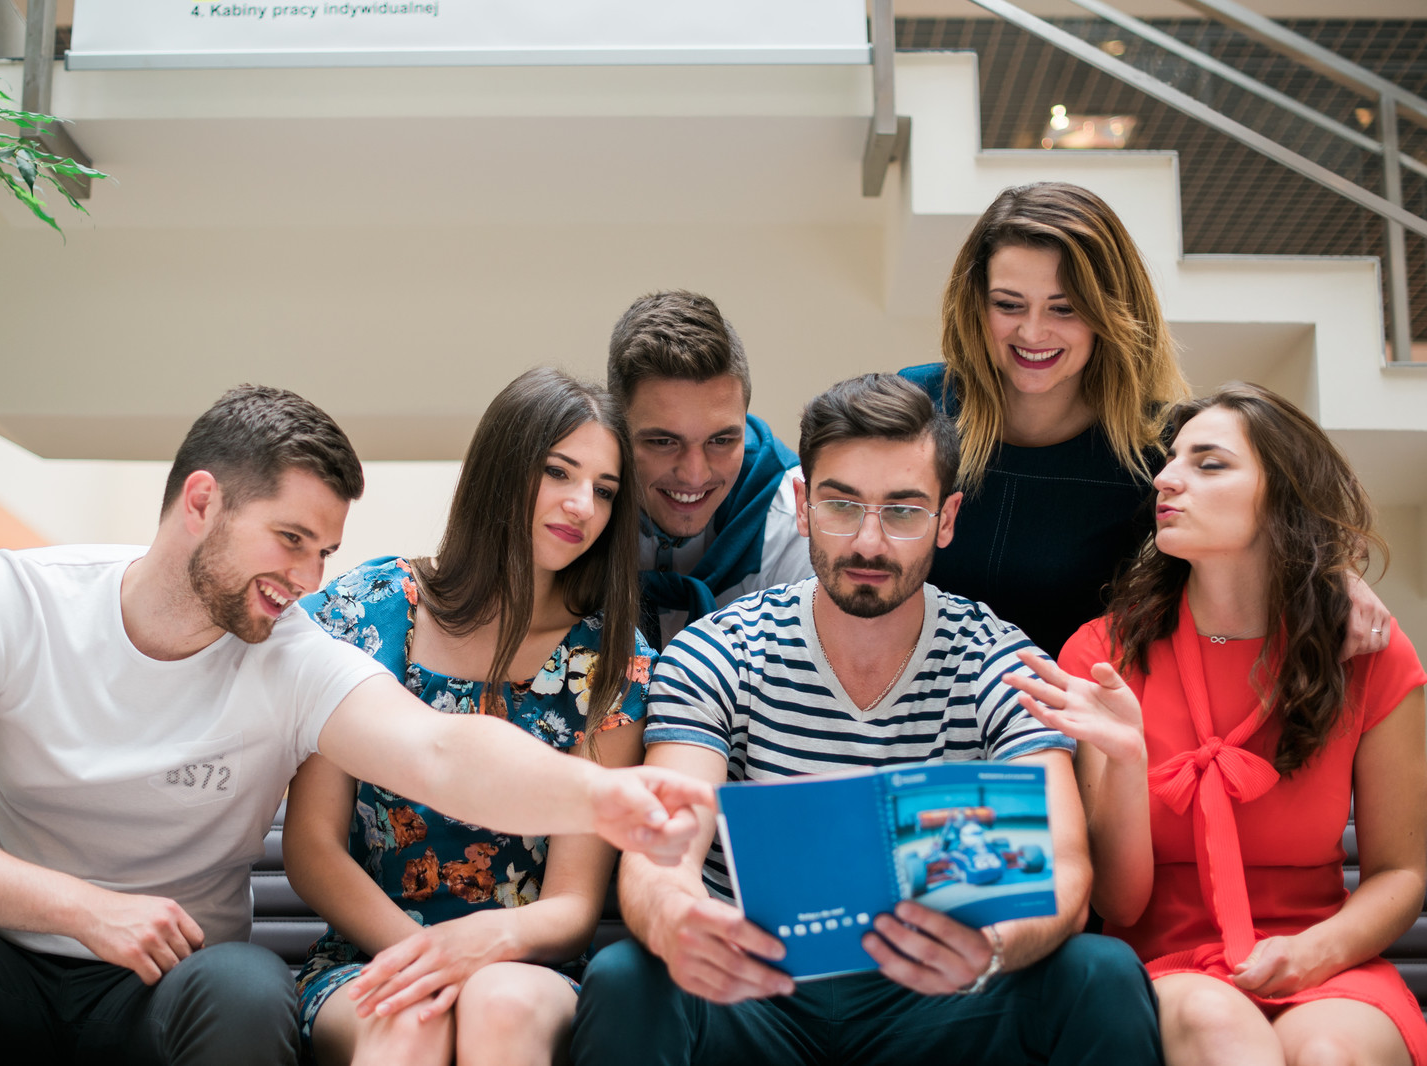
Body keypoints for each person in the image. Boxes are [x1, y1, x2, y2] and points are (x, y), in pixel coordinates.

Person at [0, 384, 712, 1066]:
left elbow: (440, 749)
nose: (309, 578)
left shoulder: (293, 653)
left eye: (324, 552)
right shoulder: (11, 598)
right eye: (291, 539)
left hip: (166, 983)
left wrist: (600, 794)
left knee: (251, 987)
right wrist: (84, 909)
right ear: (201, 502)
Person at [571, 373, 1163, 1066]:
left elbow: (1061, 865)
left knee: (1100, 972)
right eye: (842, 505)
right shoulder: (721, 650)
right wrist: (679, 919)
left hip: (940, 996)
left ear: (947, 519)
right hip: (751, 985)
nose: (870, 543)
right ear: (802, 505)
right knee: (625, 976)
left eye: (903, 511)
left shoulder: (1001, 663)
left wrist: (990, 947)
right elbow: (659, 853)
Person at [1008, 383, 1427, 1066]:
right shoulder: (1102, 654)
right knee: (1218, 1030)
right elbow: (1120, 902)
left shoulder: (1369, 653)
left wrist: (1311, 953)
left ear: (1282, 496)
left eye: (1209, 464)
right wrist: (1127, 759)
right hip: (1166, 963)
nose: (1166, 479)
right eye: (1171, 461)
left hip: (1326, 958)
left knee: (1330, 1054)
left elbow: (1401, 872)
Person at [283, 368, 654, 1066]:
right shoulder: (368, 609)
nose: (582, 505)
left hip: (523, 966)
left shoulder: (614, 659)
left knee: (499, 1004)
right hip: (373, 954)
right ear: (502, 467)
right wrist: (424, 956)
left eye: (604, 490)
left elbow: (573, 905)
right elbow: (311, 847)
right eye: (558, 472)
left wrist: (480, 950)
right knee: (410, 1021)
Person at [899, 181, 1389, 659]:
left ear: (1110, 311)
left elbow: (1261, 521)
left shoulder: (1159, 446)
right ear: (976, 302)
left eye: (1064, 309)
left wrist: (1335, 577)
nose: (1032, 332)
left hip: (1071, 705)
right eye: (1008, 305)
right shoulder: (915, 405)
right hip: (901, 702)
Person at [607, 289, 812, 649]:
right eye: (663, 441)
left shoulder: (800, 516)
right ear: (615, 427)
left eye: (721, 441)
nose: (694, 475)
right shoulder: (567, 502)